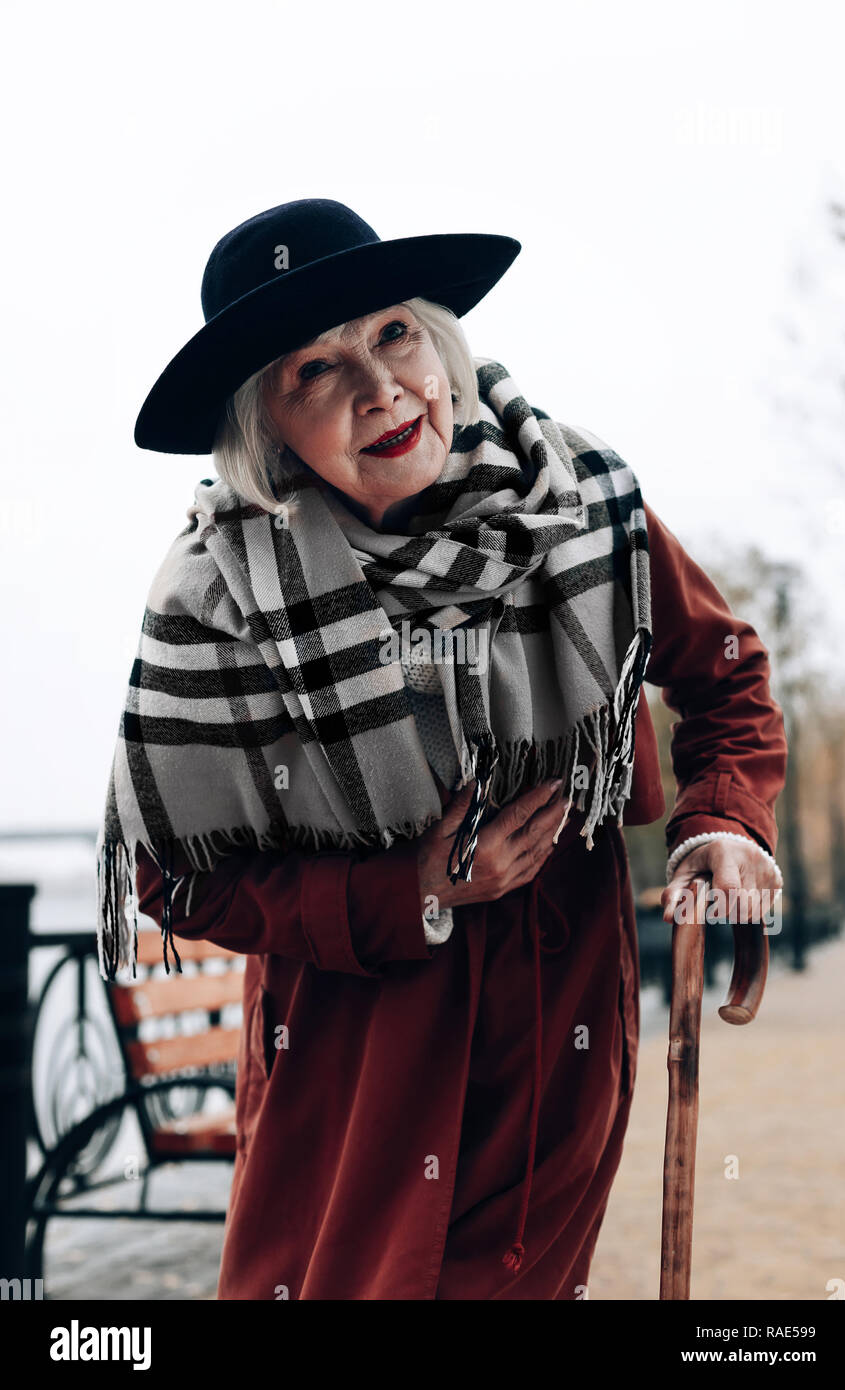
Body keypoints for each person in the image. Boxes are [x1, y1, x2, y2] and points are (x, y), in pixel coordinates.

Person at [98, 197, 787, 1300]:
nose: (378, 390)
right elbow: (170, 874)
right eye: (312, 372)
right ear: (267, 431)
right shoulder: (215, 597)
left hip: (554, 1049)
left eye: (392, 334)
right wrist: (407, 885)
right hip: (349, 1070)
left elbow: (726, 678)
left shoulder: (580, 509)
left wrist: (722, 824)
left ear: (438, 340)